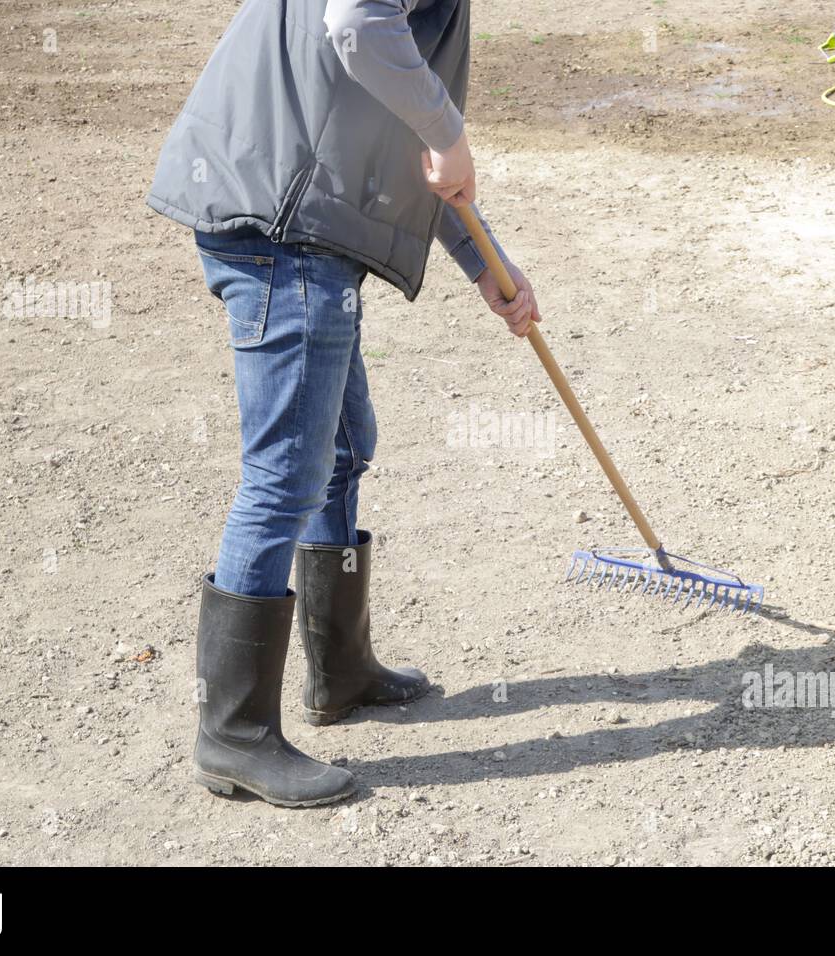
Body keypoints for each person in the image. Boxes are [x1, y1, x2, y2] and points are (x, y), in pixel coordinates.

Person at [145, 0, 541, 807]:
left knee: (341, 446)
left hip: (295, 214)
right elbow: (356, 22)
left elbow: (389, 114)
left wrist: (487, 265)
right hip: (281, 226)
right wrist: (448, 130)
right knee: (288, 471)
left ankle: (341, 671)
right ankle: (234, 733)